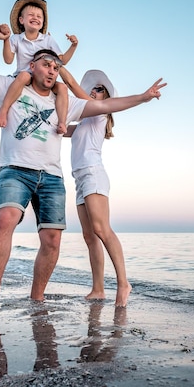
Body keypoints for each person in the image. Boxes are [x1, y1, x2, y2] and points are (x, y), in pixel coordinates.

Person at [0, 25, 166, 315]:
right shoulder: (11, 86)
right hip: (15, 169)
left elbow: (106, 104)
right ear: (31, 66)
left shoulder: (64, 102)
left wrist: (143, 98)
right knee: (5, 219)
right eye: (46, 64)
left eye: (57, 66)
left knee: (53, 239)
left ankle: (38, 297)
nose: (53, 70)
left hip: (54, 178)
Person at [60, 68, 131, 307]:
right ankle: (98, 289)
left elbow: (71, 85)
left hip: (93, 175)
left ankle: (123, 284)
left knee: (102, 229)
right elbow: (58, 129)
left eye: (99, 89)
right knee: (89, 236)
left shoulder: (100, 114)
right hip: (79, 178)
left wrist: (56, 65)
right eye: (92, 88)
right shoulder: (82, 124)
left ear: (106, 98)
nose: (93, 91)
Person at [0, 0, 78, 135]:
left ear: (42, 23)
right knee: (23, 75)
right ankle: (3, 110)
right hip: (26, 76)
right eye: (31, 15)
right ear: (21, 20)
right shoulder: (16, 39)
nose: (36, 18)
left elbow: (62, 60)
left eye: (39, 16)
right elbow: (8, 60)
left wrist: (73, 46)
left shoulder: (47, 39)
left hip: (43, 77)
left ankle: (62, 123)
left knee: (63, 87)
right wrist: (5, 40)